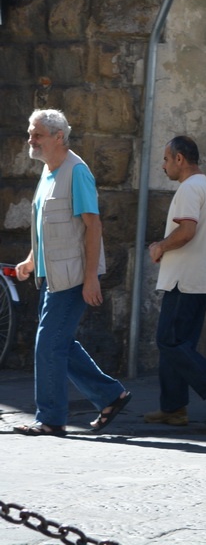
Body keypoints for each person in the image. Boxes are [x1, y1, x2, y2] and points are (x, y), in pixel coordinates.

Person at [14, 109, 131, 435]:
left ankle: (51, 419)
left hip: (73, 277)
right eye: (30, 133)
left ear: (58, 137)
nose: (31, 140)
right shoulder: (49, 171)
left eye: (37, 134)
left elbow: (93, 226)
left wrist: (91, 277)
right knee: (59, 342)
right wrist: (31, 261)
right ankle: (111, 396)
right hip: (52, 276)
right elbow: (47, 228)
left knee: (48, 344)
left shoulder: (76, 172)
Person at [144, 136, 206, 427]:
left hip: (185, 280)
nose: (163, 166)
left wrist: (160, 246)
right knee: (178, 344)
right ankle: (173, 408)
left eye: (166, 159)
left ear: (180, 159)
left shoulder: (189, 188)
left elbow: (187, 231)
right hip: (200, 279)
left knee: (170, 341)